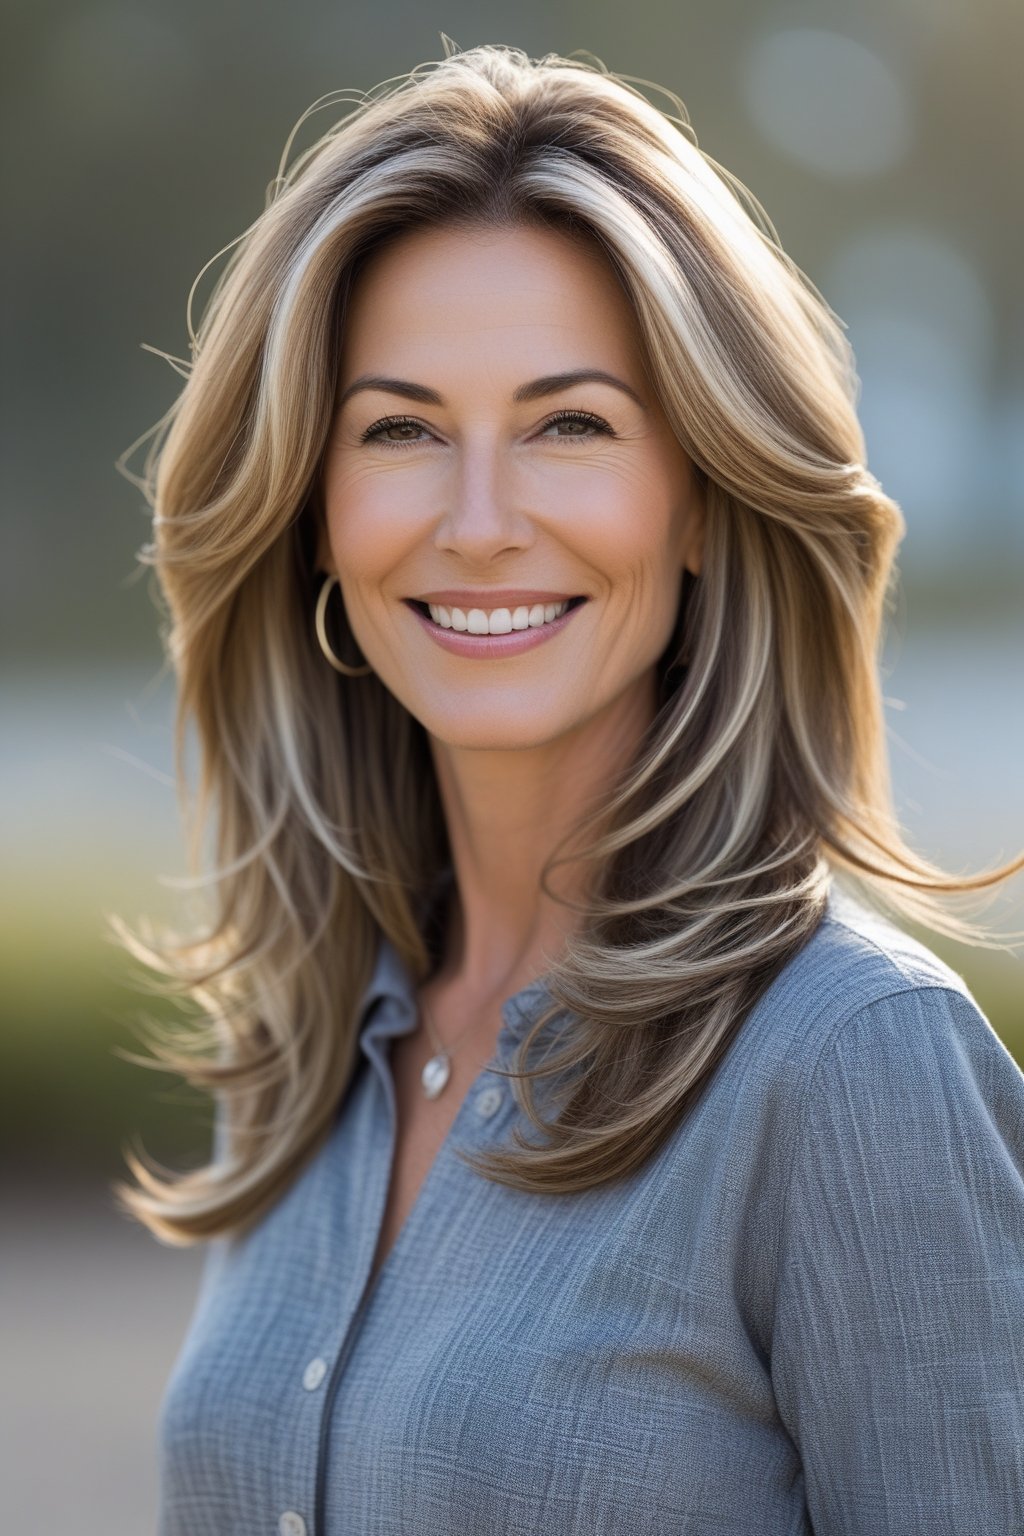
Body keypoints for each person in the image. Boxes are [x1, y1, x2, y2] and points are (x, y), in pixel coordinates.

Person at [112, 42, 1024, 1536]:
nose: (479, 524)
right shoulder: (311, 1046)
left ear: (705, 501)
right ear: (314, 512)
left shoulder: (855, 1066)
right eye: (401, 430)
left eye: (571, 425)